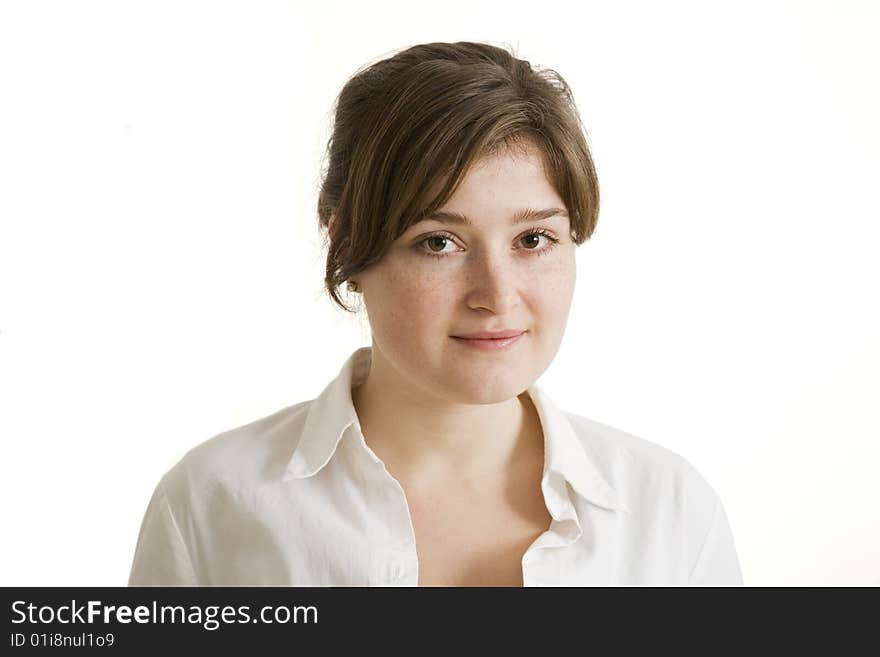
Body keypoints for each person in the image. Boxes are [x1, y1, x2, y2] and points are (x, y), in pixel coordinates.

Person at [128, 41, 743, 586]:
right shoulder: (211, 504)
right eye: (439, 242)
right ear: (347, 247)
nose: (496, 297)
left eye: (533, 240)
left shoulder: (671, 514)